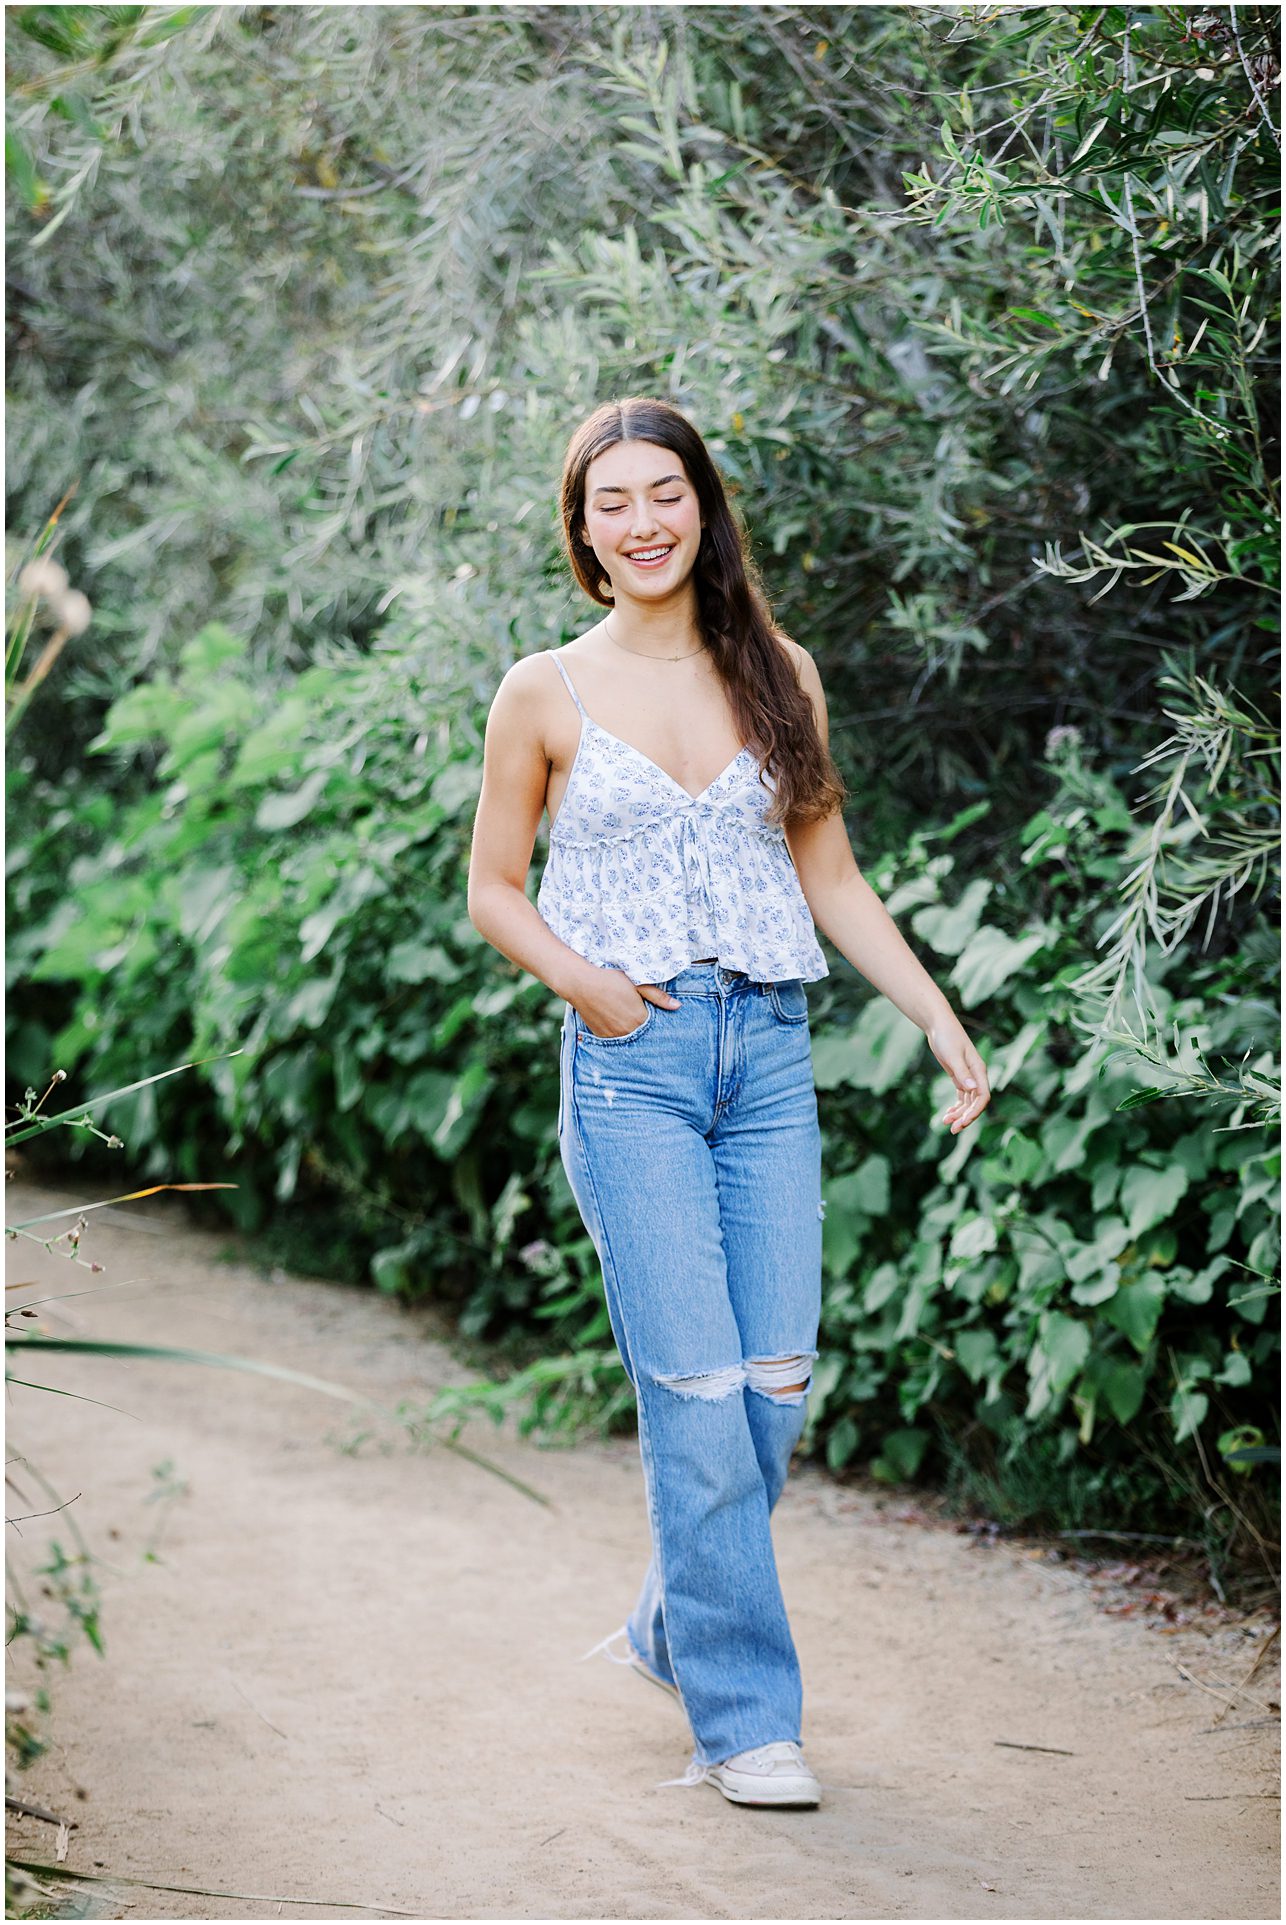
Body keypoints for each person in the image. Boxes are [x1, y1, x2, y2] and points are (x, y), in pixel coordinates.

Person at [466, 395, 991, 1808]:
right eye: (613, 502)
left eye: (665, 494)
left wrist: (934, 1012)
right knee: (696, 1392)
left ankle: (670, 1622)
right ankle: (746, 1719)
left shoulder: (781, 673)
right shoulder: (543, 690)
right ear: (583, 531)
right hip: (632, 1063)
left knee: (771, 1388)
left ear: (703, 507)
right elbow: (493, 889)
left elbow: (831, 878)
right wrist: (590, 987)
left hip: (766, 1057)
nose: (643, 523)